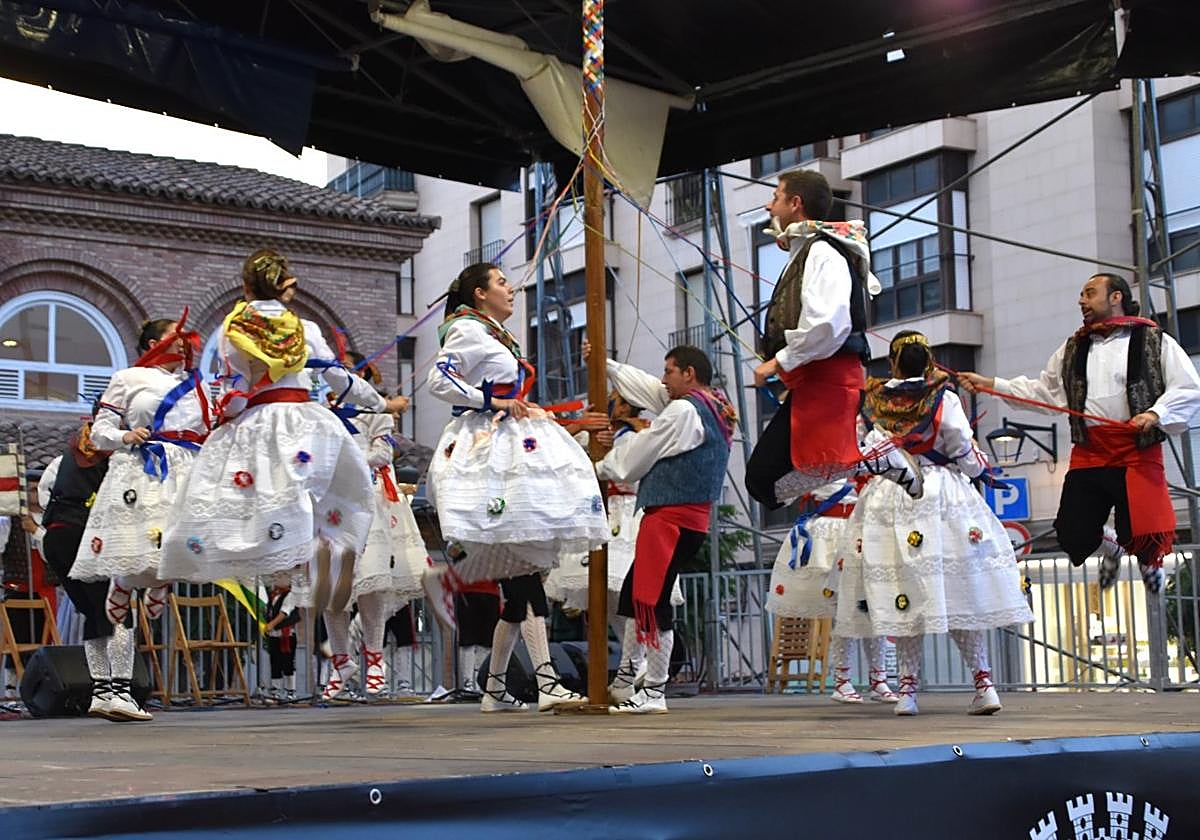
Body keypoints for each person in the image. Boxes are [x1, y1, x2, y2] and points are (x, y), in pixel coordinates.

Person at [160, 250, 407, 611]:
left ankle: (284, 571)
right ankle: (313, 569)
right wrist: (383, 404)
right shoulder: (306, 329)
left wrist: (225, 419)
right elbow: (340, 380)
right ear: (285, 285)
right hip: (308, 425)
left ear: (246, 287)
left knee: (251, 498)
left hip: (258, 421)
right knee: (322, 498)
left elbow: (235, 388)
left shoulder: (234, 328)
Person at [424, 262, 608, 712]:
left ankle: (494, 690)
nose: (510, 289)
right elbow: (439, 380)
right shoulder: (468, 330)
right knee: (524, 575)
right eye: (502, 282)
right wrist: (492, 400)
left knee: (519, 581)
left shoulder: (491, 333)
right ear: (479, 292)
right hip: (489, 453)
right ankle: (547, 683)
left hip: (509, 446)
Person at [960, 273, 1200, 594]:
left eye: (1089, 293)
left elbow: (1187, 387)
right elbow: (1044, 392)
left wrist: (1156, 413)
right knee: (1072, 535)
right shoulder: (1073, 347)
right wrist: (990, 384)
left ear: (1116, 297)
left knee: (1144, 534)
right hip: (1090, 453)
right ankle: (1111, 548)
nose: (1081, 300)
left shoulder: (1155, 340)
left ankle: (1147, 559)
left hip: (1136, 452)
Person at [836, 331, 1034, 716]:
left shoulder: (876, 401)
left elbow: (868, 451)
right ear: (928, 361)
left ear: (893, 363)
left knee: (904, 592)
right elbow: (963, 449)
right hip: (942, 496)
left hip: (892, 496)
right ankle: (984, 685)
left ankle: (907, 693)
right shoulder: (944, 397)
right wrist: (977, 469)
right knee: (959, 593)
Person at [745, 170, 922, 509]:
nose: (769, 206)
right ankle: (872, 458)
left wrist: (779, 361)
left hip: (828, 380)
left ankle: (876, 457)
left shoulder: (823, 252)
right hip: (815, 379)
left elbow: (829, 324)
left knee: (765, 479)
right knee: (765, 481)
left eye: (776, 197)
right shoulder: (810, 251)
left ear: (795, 203)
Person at [71, 317, 211, 722]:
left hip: (186, 469)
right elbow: (100, 431)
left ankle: (156, 582)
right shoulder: (128, 378)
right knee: (143, 545)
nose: (184, 345)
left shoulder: (197, 385)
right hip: (142, 469)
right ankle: (128, 585)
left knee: (183, 546)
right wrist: (125, 437)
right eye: (175, 338)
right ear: (152, 343)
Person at [593, 345, 735, 714]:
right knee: (636, 595)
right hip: (685, 520)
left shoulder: (684, 410)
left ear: (689, 374)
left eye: (669, 371)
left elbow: (644, 449)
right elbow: (649, 388)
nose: (663, 379)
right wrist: (606, 365)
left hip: (671, 520)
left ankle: (654, 690)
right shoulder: (714, 406)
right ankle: (627, 680)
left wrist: (602, 467)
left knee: (652, 603)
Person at [321, 352, 424, 702]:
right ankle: (341, 661)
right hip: (330, 504)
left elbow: (382, 455)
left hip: (368, 501)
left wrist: (346, 466)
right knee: (330, 588)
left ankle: (375, 659)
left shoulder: (375, 412)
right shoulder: (320, 411)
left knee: (371, 583)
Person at [766, 478, 898, 704]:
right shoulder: (821, 465)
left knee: (872, 609)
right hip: (831, 537)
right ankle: (842, 680)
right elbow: (785, 492)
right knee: (843, 612)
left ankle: (878, 679)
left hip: (864, 533)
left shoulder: (868, 461)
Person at [34, 413, 121, 718]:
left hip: (57, 539)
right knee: (111, 612)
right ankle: (115, 690)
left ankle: (101, 690)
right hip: (84, 541)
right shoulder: (114, 463)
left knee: (93, 613)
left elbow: (44, 498)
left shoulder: (63, 460)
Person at [263, 580, 301, 704]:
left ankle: (290, 691)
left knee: (288, 662)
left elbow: (284, 613)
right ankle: (276, 690)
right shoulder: (273, 595)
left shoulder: (290, 595)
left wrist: (272, 624)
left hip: (286, 634)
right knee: (275, 662)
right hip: (274, 634)